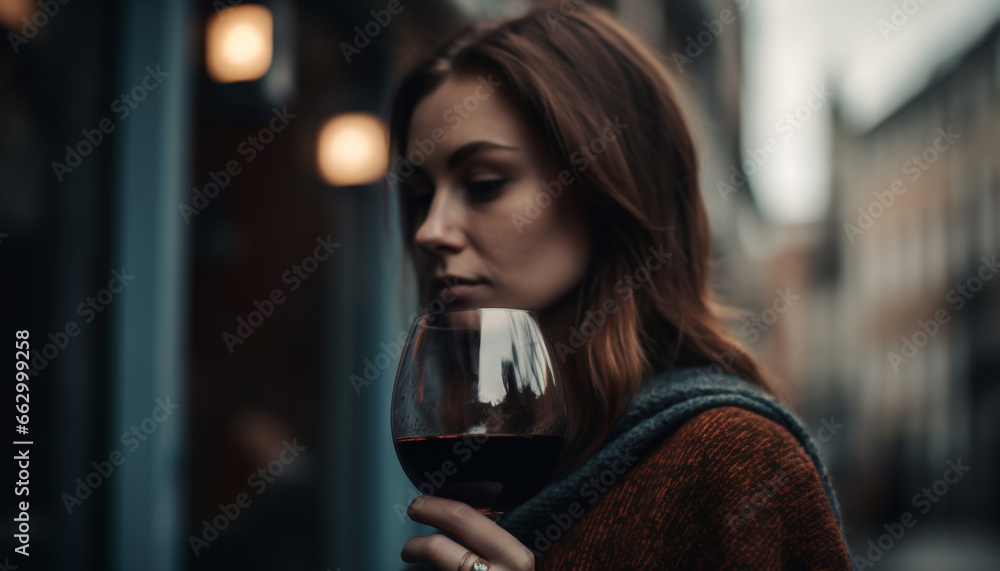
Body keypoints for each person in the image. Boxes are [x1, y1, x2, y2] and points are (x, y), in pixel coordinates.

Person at [386, 3, 851, 570]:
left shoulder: (737, 459)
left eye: (484, 184)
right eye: (418, 198)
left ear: (607, 186)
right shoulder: (488, 467)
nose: (430, 230)